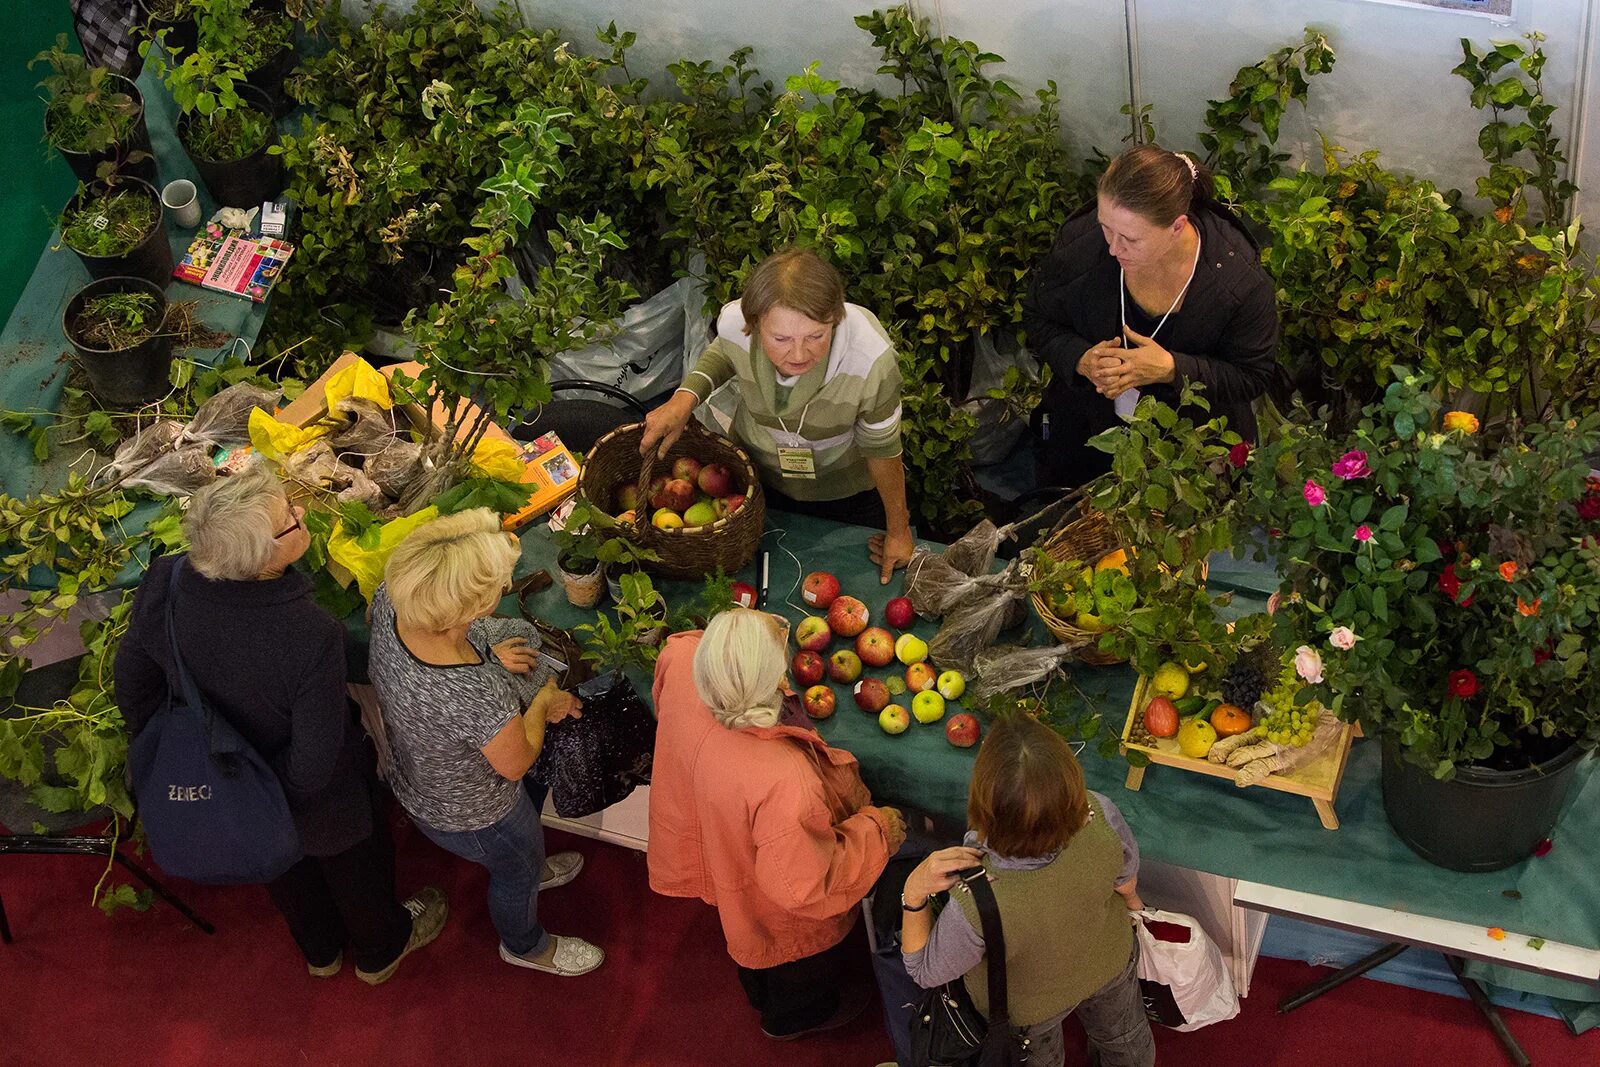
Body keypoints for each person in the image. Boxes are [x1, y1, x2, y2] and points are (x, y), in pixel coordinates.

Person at [113, 462, 446, 984]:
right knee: (356, 871)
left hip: (232, 782)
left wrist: (179, 747)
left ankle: (320, 952)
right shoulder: (308, 632)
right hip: (317, 797)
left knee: (284, 871)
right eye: (289, 517)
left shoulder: (169, 579)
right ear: (262, 557)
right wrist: (281, 792)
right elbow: (314, 765)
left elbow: (132, 676)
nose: (300, 511)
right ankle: (382, 950)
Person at [648, 608, 909, 1038]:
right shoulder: (784, 778)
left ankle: (759, 993)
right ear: (770, 681)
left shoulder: (680, 663)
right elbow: (809, 883)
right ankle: (793, 1021)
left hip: (724, 852)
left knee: (746, 935)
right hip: (779, 902)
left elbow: (682, 643)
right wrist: (879, 830)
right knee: (794, 965)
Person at [367, 508, 603, 977]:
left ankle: (531, 877)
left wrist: (484, 650)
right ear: (471, 609)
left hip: (415, 776)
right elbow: (515, 764)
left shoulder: (393, 598)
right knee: (518, 864)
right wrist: (543, 705)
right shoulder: (475, 693)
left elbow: (444, 638)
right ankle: (525, 944)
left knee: (522, 859)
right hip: (475, 813)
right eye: (499, 586)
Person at [639, 247, 914, 583]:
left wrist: (898, 531)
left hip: (842, 489)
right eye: (781, 338)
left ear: (836, 318)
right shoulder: (735, 324)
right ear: (753, 325)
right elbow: (724, 354)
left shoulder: (872, 361)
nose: (798, 354)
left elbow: (882, 448)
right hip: (758, 477)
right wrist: (684, 399)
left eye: (816, 336)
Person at [897, 714, 1154, 1067]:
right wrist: (1133, 904)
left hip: (1028, 1006)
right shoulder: (1100, 811)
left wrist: (913, 892)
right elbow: (1126, 881)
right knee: (1125, 1040)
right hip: (1109, 958)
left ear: (983, 804)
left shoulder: (975, 898)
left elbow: (925, 971)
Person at [1023, 143, 1280, 488]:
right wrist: (1080, 359)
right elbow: (1039, 317)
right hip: (1087, 437)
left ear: (1177, 227)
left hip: (1189, 454)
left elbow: (1253, 375)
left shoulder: (1237, 283)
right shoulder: (1081, 246)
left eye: (1130, 239)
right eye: (1105, 228)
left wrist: (1172, 369)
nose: (1113, 248)